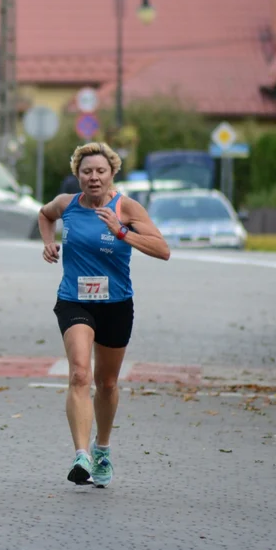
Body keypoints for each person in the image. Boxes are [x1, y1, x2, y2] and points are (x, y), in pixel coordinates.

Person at [37, 142, 170, 487]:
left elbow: (163, 249)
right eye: (86, 172)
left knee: (107, 383)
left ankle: (102, 449)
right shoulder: (67, 204)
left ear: (112, 174)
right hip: (74, 301)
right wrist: (48, 242)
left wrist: (122, 231)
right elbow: (43, 214)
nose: (93, 178)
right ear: (77, 175)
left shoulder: (125, 207)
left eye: (100, 171)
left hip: (116, 304)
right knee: (80, 373)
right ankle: (80, 454)